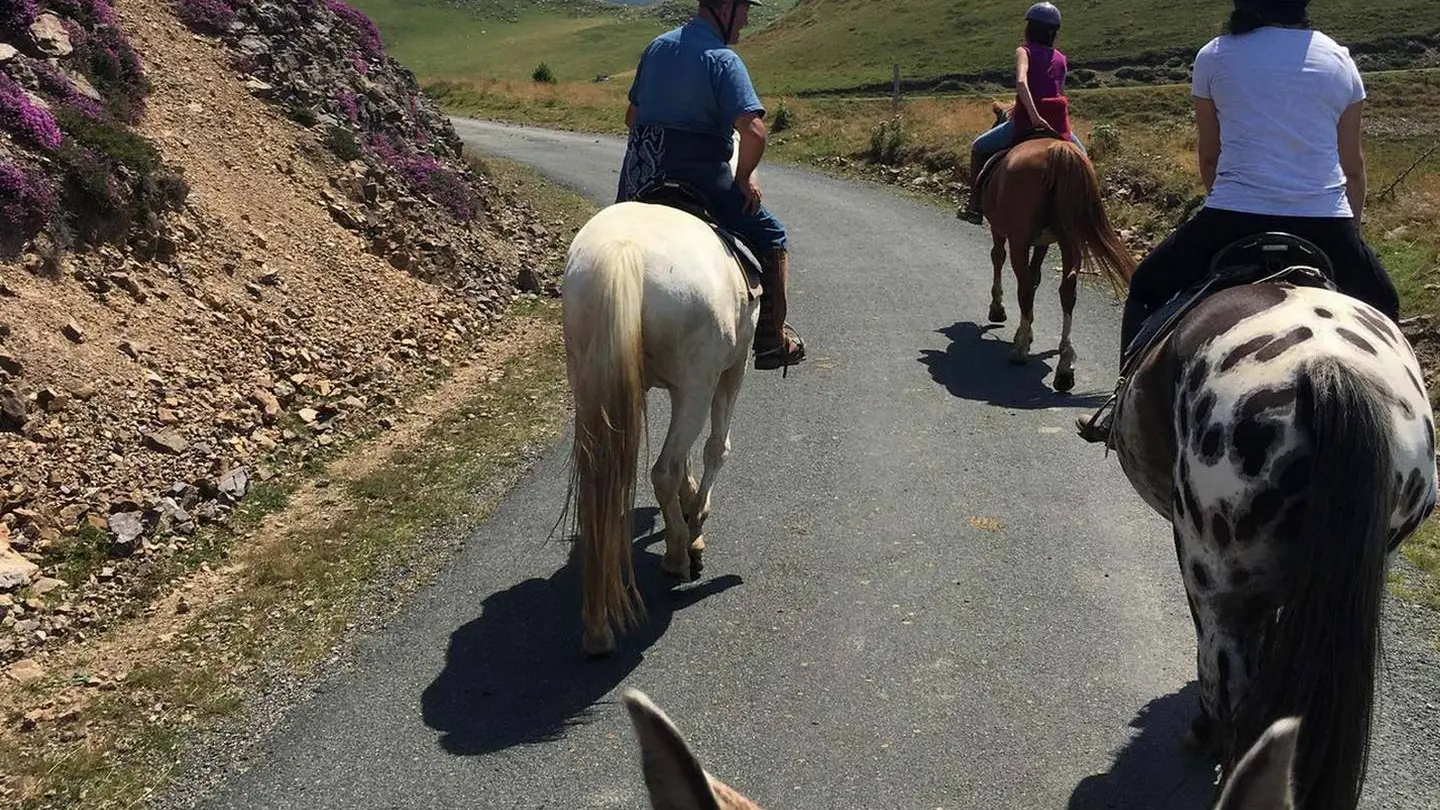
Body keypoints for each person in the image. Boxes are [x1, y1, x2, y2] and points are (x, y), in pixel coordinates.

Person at [1077, 0, 1401, 442]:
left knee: (1148, 288)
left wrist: (1229, 201)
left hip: (1233, 215)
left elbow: (1209, 157)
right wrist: (1350, 234)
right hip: (1326, 224)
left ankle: (1120, 411)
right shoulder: (1339, 60)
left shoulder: (1215, 55)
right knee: (1384, 303)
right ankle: (1401, 429)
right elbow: (1354, 168)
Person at [616, 0, 805, 371]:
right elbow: (753, 132)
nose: (747, 18)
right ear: (724, 7)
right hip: (700, 179)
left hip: (639, 177)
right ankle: (771, 342)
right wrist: (743, 175)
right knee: (772, 235)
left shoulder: (657, 47)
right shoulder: (722, 59)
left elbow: (631, 117)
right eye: (744, 8)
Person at [959, 1, 1086, 225]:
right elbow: (1061, 93)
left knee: (978, 147)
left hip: (1025, 121)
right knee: (1085, 163)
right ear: (1054, 33)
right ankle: (1089, 215)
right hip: (1058, 125)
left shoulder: (1023, 51)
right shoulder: (1061, 59)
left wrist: (1034, 116)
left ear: (1029, 28)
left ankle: (975, 206)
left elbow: (1021, 82)